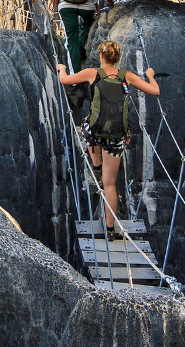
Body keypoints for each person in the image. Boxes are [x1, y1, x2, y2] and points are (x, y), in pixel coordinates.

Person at [56, 40, 159, 239]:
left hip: (95, 132)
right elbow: (155, 91)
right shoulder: (127, 76)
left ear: (101, 57)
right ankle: (110, 230)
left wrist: (62, 68)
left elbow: (64, 80)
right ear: (118, 58)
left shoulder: (92, 73)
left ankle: (95, 166)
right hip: (116, 138)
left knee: (86, 128)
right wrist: (150, 76)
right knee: (110, 184)